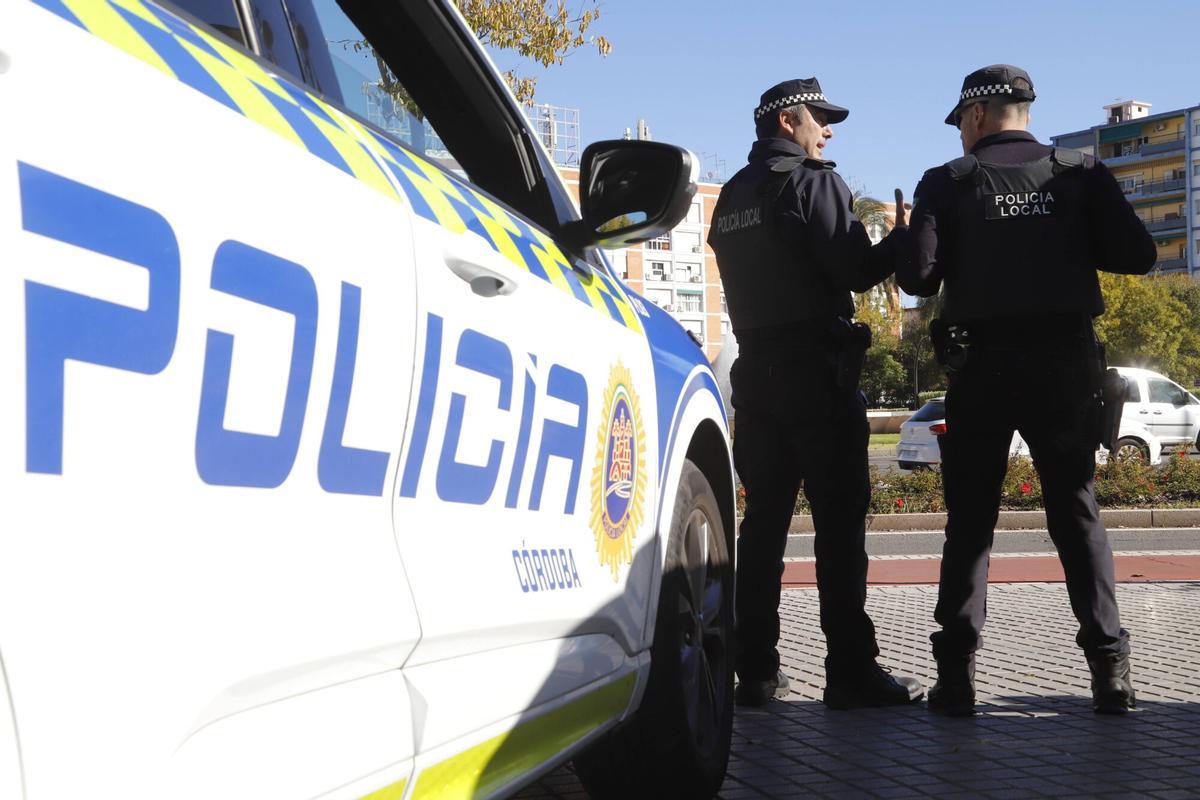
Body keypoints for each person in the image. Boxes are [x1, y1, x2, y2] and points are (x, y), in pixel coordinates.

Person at [898, 64, 1155, 715]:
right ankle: (1110, 672)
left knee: (971, 522)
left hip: (981, 368)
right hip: (1065, 364)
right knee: (1076, 513)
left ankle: (955, 677)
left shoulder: (948, 183)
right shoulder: (1080, 172)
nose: (960, 133)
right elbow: (1139, 253)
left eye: (959, 121)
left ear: (977, 116)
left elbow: (921, 279)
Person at [708, 77, 923, 709]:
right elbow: (853, 271)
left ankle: (755, 670)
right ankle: (851, 671)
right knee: (837, 527)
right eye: (818, 121)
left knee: (764, 526)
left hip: (757, 375)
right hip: (818, 375)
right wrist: (900, 242)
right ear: (785, 124)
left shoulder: (730, 199)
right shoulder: (814, 182)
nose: (825, 132)